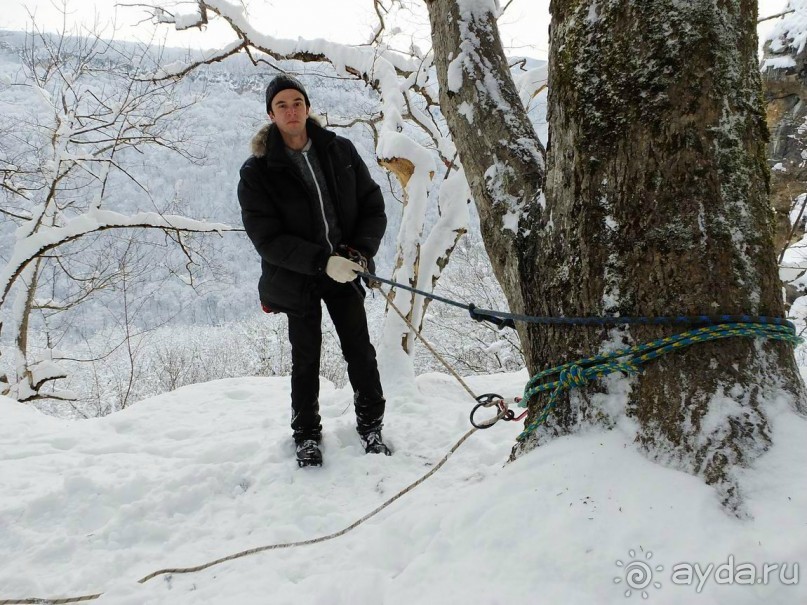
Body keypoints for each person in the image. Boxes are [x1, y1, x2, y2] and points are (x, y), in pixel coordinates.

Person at [237, 74, 390, 467]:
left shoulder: (339, 150)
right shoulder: (257, 171)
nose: (292, 111)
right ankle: (306, 435)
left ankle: (371, 426)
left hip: (345, 268)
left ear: (308, 107)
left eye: (297, 102)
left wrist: (358, 253)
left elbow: (372, 205)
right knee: (306, 357)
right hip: (296, 277)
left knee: (359, 349)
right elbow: (266, 237)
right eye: (282, 105)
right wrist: (321, 261)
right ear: (270, 114)